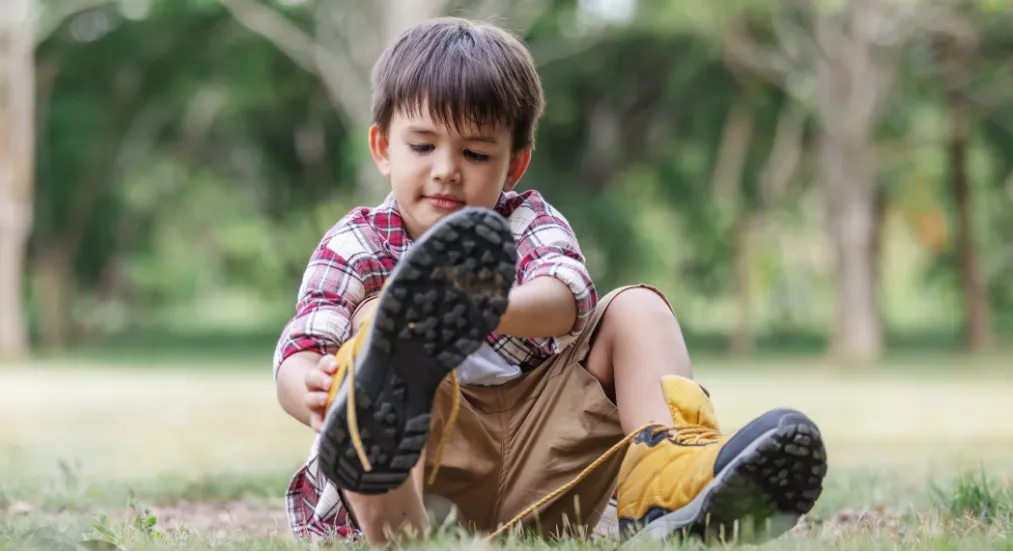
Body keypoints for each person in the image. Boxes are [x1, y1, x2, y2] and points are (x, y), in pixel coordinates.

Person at [272, 16, 828, 547]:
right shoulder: (355, 244)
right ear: (382, 149)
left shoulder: (527, 221)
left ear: (513, 165)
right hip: (429, 478)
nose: (447, 168)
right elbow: (298, 353)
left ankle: (668, 482)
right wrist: (315, 394)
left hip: (544, 464)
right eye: (423, 146)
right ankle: (399, 529)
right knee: (380, 334)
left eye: (474, 152)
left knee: (636, 309)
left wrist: (480, 305)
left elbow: (568, 299)